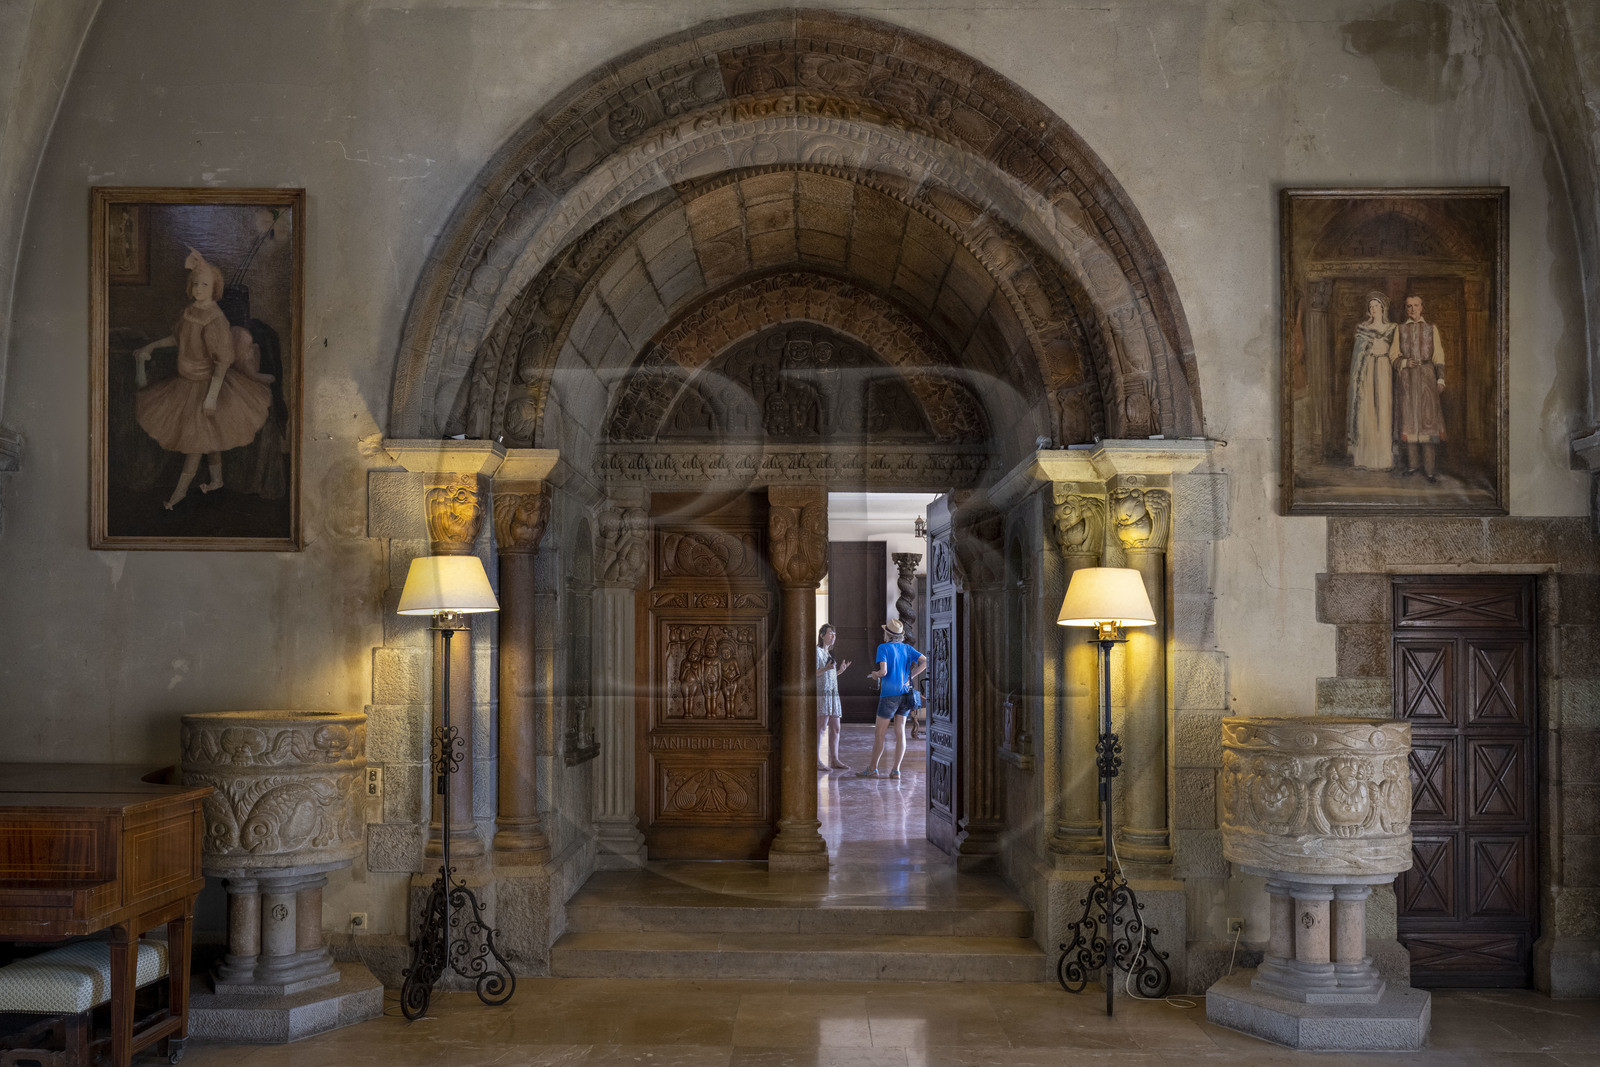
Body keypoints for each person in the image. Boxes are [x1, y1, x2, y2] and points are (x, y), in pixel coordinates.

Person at [132, 249, 274, 509]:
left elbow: (222, 363)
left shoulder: (215, 319)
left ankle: (179, 493)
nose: (198, 289)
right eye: (195, 283)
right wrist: (151, 347)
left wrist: (211, 397)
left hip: (208, 386)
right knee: (210, 437)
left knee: (196, 443)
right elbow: (178, 338)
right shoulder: (190, 312)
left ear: (215, 288)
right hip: (184, 383)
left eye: (204, 285)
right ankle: (217, 480)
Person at [857, 618, 926, 779]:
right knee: (900, 732)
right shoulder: (907, 648)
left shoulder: (883, 647)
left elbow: (883, 672)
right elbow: (924, 661)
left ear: (887, 634)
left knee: (880, 734)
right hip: (905, 695)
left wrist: (875, 675)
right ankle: (896, 770)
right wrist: (911, 677)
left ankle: (873, 769)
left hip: (889, 695)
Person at [1393, 293, 1448, 483]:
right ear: (1406, 308)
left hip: (1426, 378)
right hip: (1407, 379)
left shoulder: (1432, 329)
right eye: (1409, 306)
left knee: (1428, 421)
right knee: (1410, 420)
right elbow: (1393, 356)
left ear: (1422, 307)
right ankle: (1412, 465)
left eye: (1416, 305)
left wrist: (1440, 379)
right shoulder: (1399, 329)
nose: (1412, 309)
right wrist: (1405, 362)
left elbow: (1438, 356)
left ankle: (1430, 470)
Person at [1346, 291, 1397, 471]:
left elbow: (1394, 351)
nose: (1373, 309)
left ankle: (1383, 459)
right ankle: (1365, 458)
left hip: (1384, 369)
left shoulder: (1392, 328)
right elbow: (1358, 355)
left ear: (1383, 308)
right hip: (1366, 371)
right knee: (1366, 409)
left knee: (1383, 410)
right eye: (1371, 306)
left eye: (1376, 306)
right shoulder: (1362, 329)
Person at [815, 624, 852, 771]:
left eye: (835, 634)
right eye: (830, 633)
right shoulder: (817, 651)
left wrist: (839, 671)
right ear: (822, 635)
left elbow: (829, 675)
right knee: (821, 727)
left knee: (836, 728)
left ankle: (835, 759)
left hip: (833, 694)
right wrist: (827, 668)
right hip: (823, 693)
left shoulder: (829, 654)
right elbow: (813, 673)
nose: (833, 636)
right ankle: (816, 760)